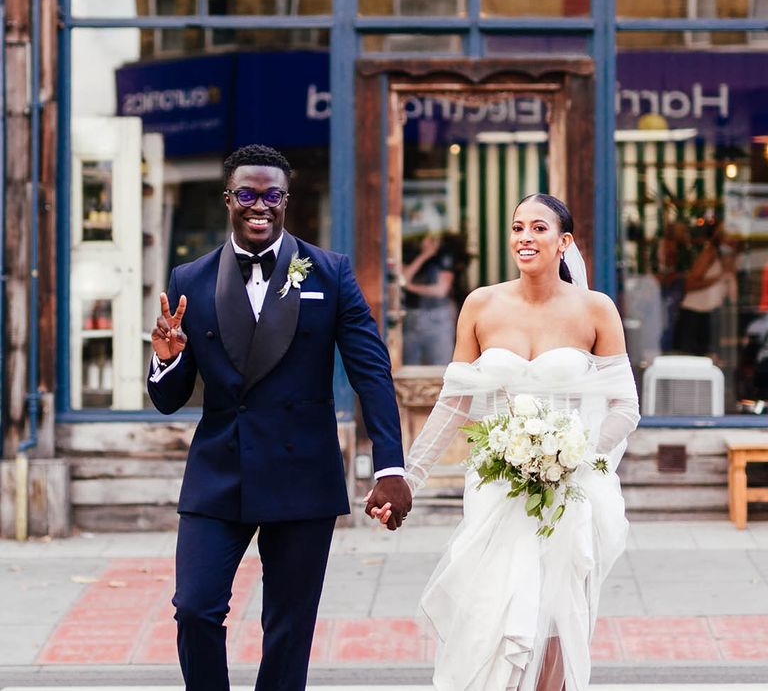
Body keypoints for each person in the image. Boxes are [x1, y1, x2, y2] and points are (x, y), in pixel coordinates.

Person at [147, 144, 412, 691]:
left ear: (287, 200)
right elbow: (170, 399)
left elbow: (371, 372)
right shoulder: (189, 279)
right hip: (219, 471)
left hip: (302, 471)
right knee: (194, 609)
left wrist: (390, 464)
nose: (259, 205)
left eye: (272, 195)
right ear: (228, 199)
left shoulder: (329, 272)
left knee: (287, 630)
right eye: (247, 194)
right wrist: (167, 361)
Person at [371, 193, 640, 690]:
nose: (524, 238)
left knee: (558, 618)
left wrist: (570, 457)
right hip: (497, 486)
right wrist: (408, 477)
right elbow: (454, 404)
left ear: (564, 242)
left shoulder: (596, 309)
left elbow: (626, 408)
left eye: (538, 228)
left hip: (570, 491)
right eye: (518, 227)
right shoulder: (481, 304)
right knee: (493, 615)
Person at [673, 221, 737, 357]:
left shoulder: (728, 257)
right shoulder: (710, 253)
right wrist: (717, 279)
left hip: (711, 315)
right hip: (694, 314)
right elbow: (690, 284)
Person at [402, 231, 458, 365]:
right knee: (410, 365)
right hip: (412, 316)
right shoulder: (410, 255)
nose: (431, 242)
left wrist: (410, 287)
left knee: (440, 364)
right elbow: (403, 278)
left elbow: (441, 290)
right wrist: (424, 256)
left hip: (437, 315)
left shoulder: (444, 256)